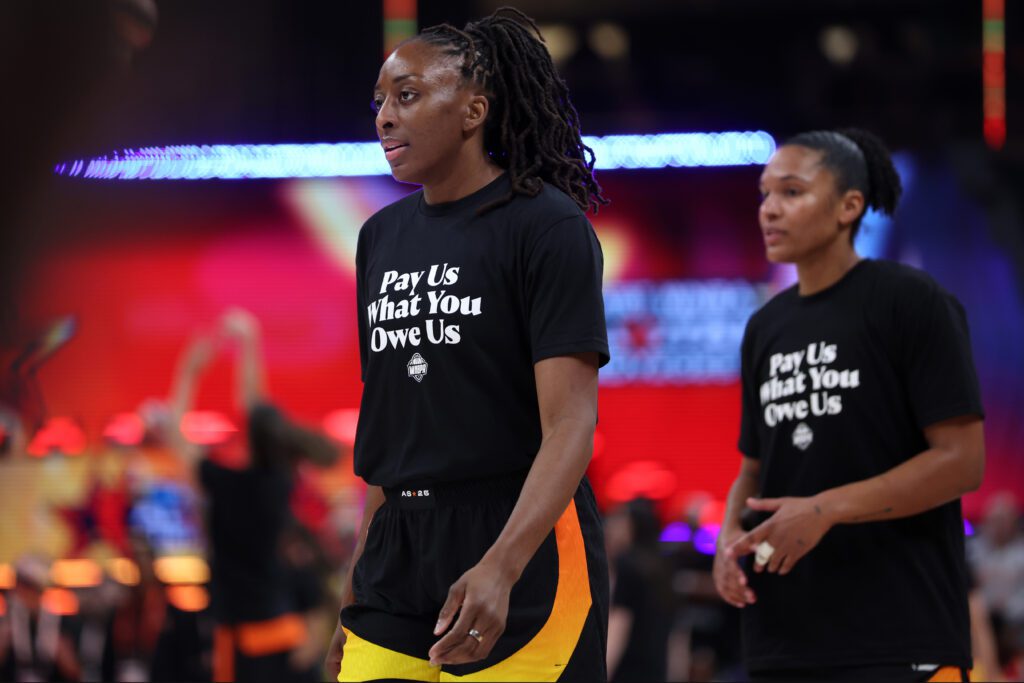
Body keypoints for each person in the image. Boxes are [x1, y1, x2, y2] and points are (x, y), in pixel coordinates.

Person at [324, 8, 610, 682]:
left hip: (521, 538)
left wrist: (502, 563)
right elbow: (395, 420)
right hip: (397, 548)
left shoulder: (546, 226)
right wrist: (354, 583)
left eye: (408, 95)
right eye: (380, 102)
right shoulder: (380, 237)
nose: (385, 117)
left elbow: (570, 424)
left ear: (474, 108)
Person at [713, 128, 986, 683]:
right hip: (783, 641)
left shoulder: (912, 301)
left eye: (791, 192)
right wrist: (725, 543)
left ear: (848, 206)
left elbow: (962, 460)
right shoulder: (765, 325)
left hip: (899, 636)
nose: (769, 210)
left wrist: (826, 508)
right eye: (765, 194)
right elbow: (754, 467)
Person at [169, 309, 339, 682]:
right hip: (284, 634)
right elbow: (255, 410)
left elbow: (176, 438)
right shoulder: (277, 482)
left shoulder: (228, 484)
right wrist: (249, 341)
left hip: (247, 643)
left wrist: (189, 370)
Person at [604, 498, 674, 682]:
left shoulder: (627, 565)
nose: (610, 528)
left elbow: (619, 623)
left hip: (627, 669)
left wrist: (603, 673)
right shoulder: (662, 567)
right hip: (655, 670)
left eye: (618, 521)